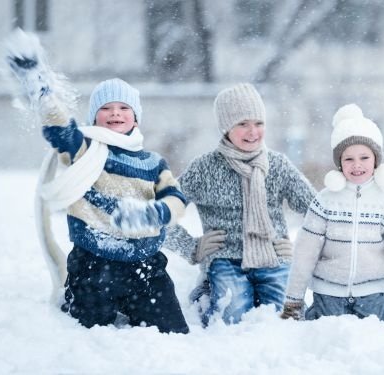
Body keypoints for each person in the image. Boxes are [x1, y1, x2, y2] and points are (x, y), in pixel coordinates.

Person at [42, 78, 190, 333]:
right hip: (94, 264)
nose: (115, 113)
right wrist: (44, 95)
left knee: (172, 332)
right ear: (94, 117)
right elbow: (63, 129)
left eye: (124, 108)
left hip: (145, 265)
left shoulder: (153, 162)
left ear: (136, 118)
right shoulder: (85, 151)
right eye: (106, 108)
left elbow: (175, 198)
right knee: (83, 331)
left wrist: (155, 213)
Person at [164, 83, 316, 326]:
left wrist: (299, 249)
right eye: (242, 124)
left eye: (258, 123)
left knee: (287, 319)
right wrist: (191, 247)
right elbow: (159, 215)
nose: (252, 131)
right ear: (226, 128)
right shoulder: (204, 168)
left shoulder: (277, 165)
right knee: (231, 317)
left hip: (273, 257)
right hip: (225, 260)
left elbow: (317, 211)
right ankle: (206, 293)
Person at [280, 104, 384, 328]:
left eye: (364, 157)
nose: (357, 165)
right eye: (348, 159)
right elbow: (304, 253)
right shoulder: (324, 201)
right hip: (328, 295)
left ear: (376, 160)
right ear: (339, 163)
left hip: (373, 296)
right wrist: (293, 301)